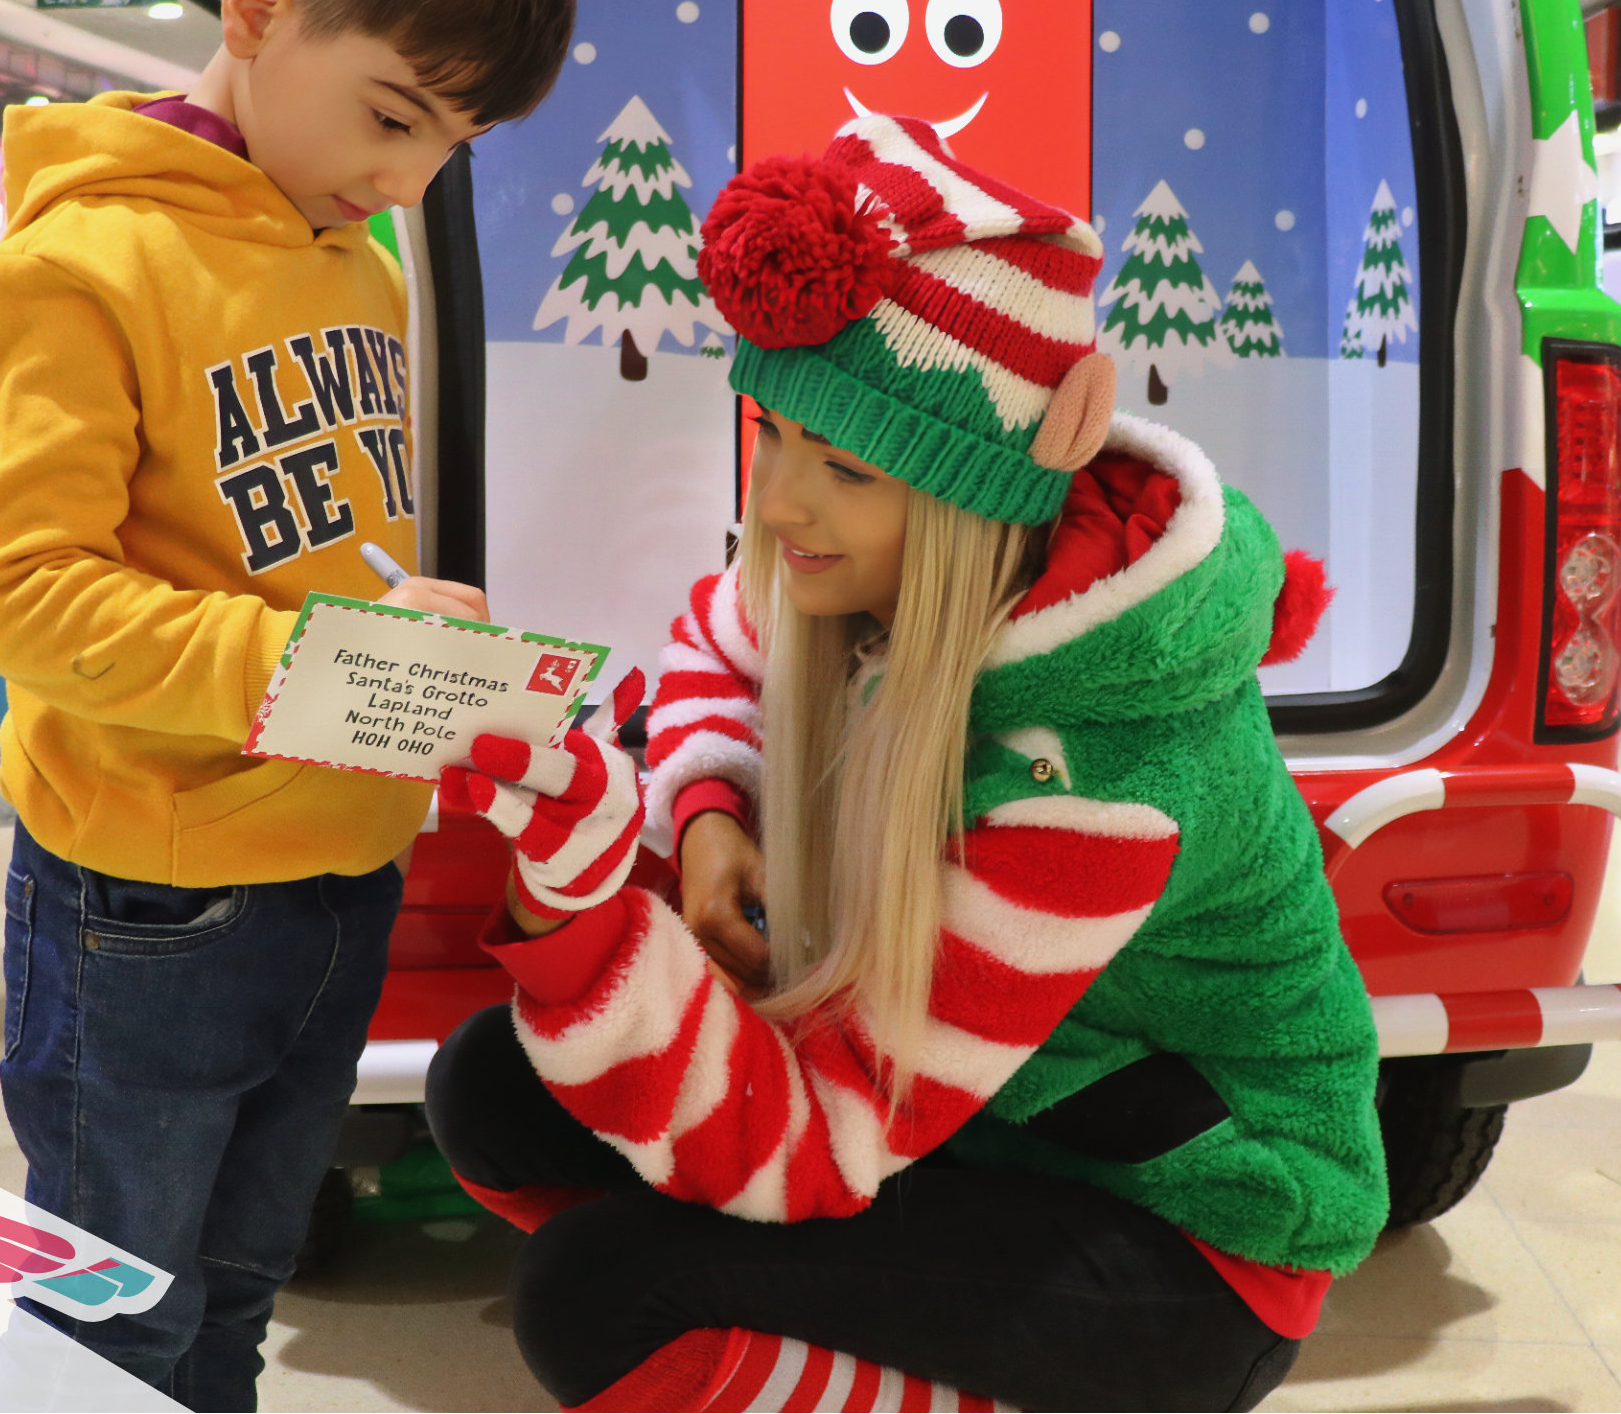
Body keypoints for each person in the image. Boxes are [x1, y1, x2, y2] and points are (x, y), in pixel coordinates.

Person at [426, 118, 1388, 1413]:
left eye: (844, 468)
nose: (778, 506)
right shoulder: (899, 584)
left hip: (1193, 1238)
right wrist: (711, 813)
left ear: (968, 499)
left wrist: (572, 911)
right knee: (492, 1085)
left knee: (601, 1297)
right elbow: (722, 637)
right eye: (773, 438)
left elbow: (810, 1144)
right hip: (1001, 1125)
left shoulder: (1094, 782)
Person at [0, 0, 576, 1411]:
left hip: (339, 868)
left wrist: (408, 633)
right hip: (148, 905)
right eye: (392, 115)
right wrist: (316, 658)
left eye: (454, 141)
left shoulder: (352, 250)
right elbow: (19, 594)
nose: (414, 179)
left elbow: (299, 543)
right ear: (259, 7)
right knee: (110, 1324)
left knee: (236, 1291)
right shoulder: (79, 267)